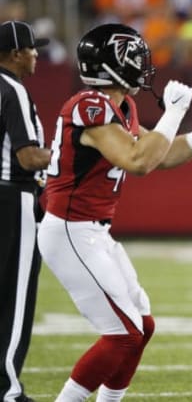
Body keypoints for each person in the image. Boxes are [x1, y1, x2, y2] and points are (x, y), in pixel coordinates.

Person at [36, 23, 192, 402]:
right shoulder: (88, 105)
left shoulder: (120, 105)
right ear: (113, 63)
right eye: (135, 58)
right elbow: (138, 161)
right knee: (122, 335)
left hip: (93, 232)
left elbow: (160, 154)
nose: (143, 65)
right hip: (70, 230)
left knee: (141, 327)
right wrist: (174, 112)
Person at [0, 20, 51, 402]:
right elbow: (28, 156)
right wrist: (68, 153)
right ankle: (8, 390)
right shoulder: (13, 89)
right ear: (16, 53)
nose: (37, 55)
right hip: (13, 198)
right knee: (14, 300)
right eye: (32, 48)